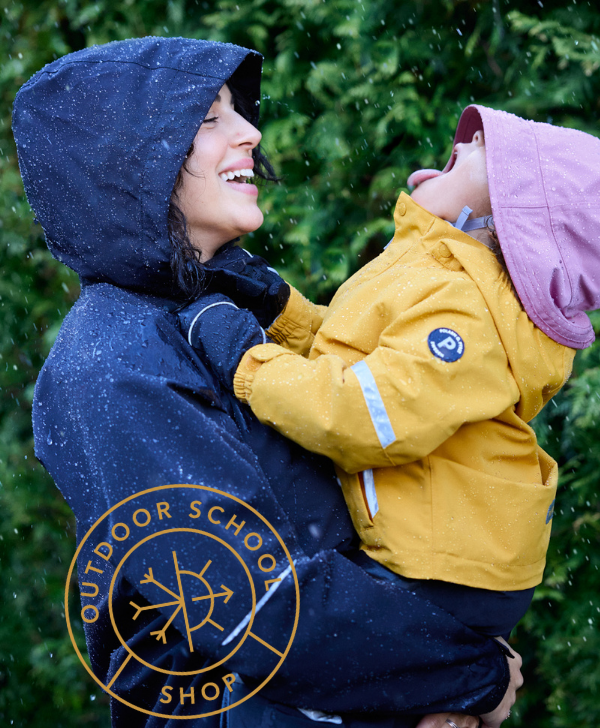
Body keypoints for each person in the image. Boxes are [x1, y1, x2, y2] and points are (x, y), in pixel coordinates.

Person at [12, 37, 521, 728]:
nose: (249, 131)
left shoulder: (234, 308)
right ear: (127, 160)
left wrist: (460, 675)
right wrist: (474, 673)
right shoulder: (108, 365)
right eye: (206, 119)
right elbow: (256, 604)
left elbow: (415, 496)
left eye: (237, 113)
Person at [182, 106, 600, 637]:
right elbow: (362, 358)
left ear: (502, 227)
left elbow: (363, 415)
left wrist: (246, 358)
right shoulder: (442, 274)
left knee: (297, 661)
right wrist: (280, 311)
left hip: (444, 573)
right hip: (435, 559)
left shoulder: (467, 308)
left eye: (463, 167)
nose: (433, 168)